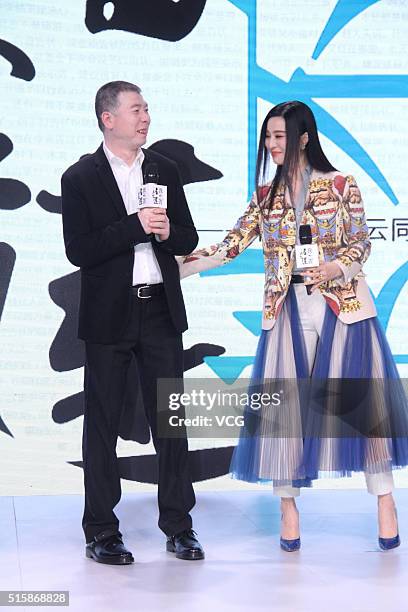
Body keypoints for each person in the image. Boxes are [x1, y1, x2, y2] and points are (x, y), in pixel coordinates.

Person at [179, 100, 408, 552]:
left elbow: (361, 242)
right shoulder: (266, 197)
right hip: (285, 310)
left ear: (304, 137)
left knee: (363, 408)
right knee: (283, 415)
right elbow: (232, 243)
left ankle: (384, 501)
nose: (272, 144)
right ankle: (288, 509)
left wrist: (336, 269)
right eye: (268, 137)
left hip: (343, 307)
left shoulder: (341, 184)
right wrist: (182, 267)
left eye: (280, 136)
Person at [61, 80, 204, 564]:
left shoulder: (164, 169)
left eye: (147, 109)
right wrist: (134, 226)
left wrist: (167, 232)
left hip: (160, 310)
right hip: (109, 317)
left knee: (171, 420)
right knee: (101, 424)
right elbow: (78, 249)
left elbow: (186, 235)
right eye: (136, 110)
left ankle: (179, 526)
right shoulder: (80, 177)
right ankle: (102, 530)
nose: (145, 117)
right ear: (109, 118)